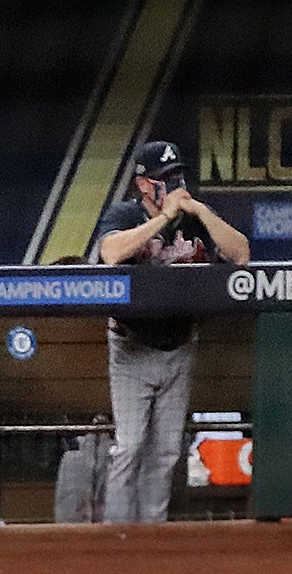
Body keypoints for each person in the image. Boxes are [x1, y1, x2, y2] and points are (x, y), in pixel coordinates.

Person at [91, 139, 251, 523]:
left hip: (180, 344)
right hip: (132, 347)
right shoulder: (125, 213)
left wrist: (199, 211)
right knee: (129, 448)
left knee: (165, 452)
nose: (174, 183)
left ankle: (153, 534)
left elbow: (241, 253)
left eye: (177, 175)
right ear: (144, 184)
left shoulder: (195, 217)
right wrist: (162, 220)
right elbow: (110, 253)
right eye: (165, 178)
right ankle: (114, 537)